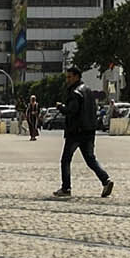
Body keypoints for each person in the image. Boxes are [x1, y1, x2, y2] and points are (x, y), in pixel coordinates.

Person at [52, 66, 114, 199]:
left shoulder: (75, 93)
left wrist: (61, 107)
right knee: (91, 159)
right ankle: (106, 180)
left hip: (76, 131)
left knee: (65, 160)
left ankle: (66, 188)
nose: (67, 80)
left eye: (69, 77)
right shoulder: (89, 91)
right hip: (89, 130)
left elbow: (72, 110)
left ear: (76, 77)